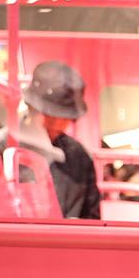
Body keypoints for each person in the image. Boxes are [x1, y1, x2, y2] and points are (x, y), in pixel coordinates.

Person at [21, 61, 101, 219]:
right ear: (31, 107)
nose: (58, 123)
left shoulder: (79, 156)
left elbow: (91, 218)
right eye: (49, 115)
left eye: (64, 117)